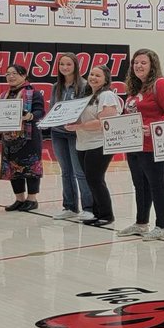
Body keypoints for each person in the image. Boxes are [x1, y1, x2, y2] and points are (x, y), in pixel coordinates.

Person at [119, 49, 164, 239]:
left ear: (153, 64)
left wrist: (152, 127)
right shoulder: (136, 87)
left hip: (152, 146)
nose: (138, 66)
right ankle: (141, 223)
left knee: (156, 184)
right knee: (140, 186)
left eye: (143, 62)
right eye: (136, 62)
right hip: (134, 145)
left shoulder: (161, 85)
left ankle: (162, 226)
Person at [65, 65, 121, 227]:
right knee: (91, 180)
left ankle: (106, 215)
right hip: (83, 143)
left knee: (95, 179)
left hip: (99, 144)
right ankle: (97, 213)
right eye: (91, 74)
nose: (93, 78)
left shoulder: (107, 95)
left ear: (106, 79)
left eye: (98, 75)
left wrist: (79, 126)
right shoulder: (87, 95)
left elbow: (105, 122)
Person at [49, 53, 93, 221]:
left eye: (68, 64)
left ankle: (88, 207)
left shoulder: (83, 86)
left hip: (76, 134)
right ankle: (70, 206)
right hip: (58, 133)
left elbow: (86, 109)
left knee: (79, 171)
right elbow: (54, 108)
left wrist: (76, 123)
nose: (65, 67)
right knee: (65, 171)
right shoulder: (56, 87)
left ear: (75, 66)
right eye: (62, 64)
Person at [0, 64, 46, 212]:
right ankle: (19, 199)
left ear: (24, 76)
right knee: (12, 168)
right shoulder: (3, 96)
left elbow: (40, 112)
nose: (10, 76)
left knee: (31, 167)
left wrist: (30, 116)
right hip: (9, 139)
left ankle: (32, 199)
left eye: (14, 73)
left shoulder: (34, 94)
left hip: (29, 138)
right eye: (8, 73)